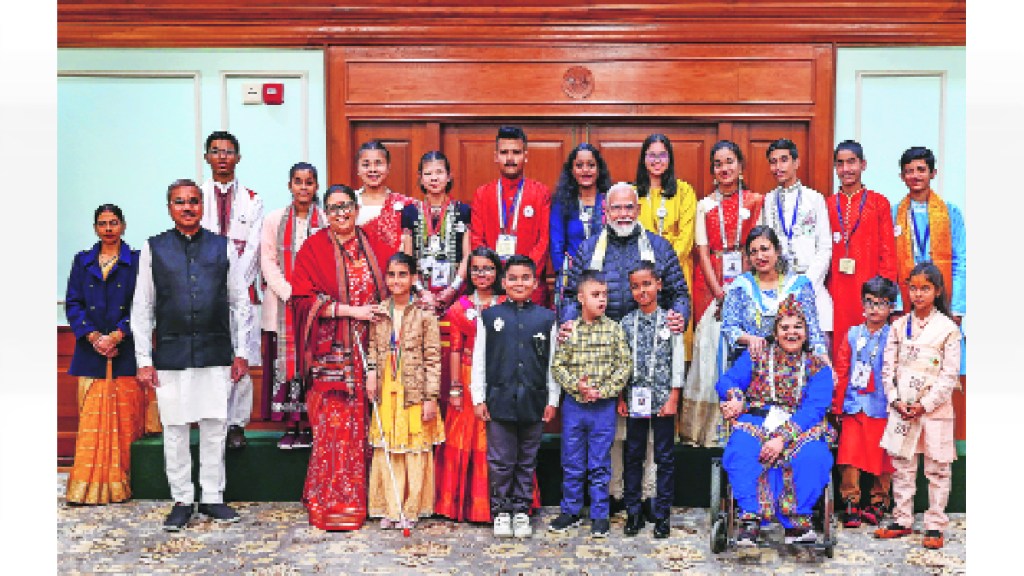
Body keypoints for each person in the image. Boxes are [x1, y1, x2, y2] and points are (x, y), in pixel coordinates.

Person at [558, 181, 691, 518]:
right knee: (612, 429)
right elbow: (571, 295)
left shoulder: (659, 248)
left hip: (649, 351)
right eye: (615, 208)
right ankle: (615, 493)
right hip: (601, 352)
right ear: (606, 211)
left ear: (638, 210)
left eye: (628, 207)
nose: (622, 214)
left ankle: (647, 496)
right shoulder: (588, 249)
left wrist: (680, 316)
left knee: (646, 430)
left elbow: (680, 294)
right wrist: (569, 323)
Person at [131, 179, 252, 531]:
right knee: (175, 429)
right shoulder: (154, 248)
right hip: (171, 353)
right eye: (179, 202)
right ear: (170, 207)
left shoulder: (222, 246)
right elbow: (142, 307)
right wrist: (143, 360)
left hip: (215, 352)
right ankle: (182, 499)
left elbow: (240, 302)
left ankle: (212, 496)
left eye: (193, 201)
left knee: (215, 427)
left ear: (202, 206)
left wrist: (242, 352)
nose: (187, 208)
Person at [291, 184, 387, 531]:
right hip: (332, 356)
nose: (341, 213)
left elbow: (395, 284)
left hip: (373, 352)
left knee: (366, 427)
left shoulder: (374, 244)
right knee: (335, 431)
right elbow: (301, 300)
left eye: (346, 206)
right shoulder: (312, 248)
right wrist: (351, 311)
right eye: (333, 208)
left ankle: (371, 501)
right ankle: (331, 503)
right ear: (324, 214)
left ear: (356, 208)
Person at [716, 294, 835, 546]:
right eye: (785, 327)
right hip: (758, 420)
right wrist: (735, 397)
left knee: (812, 455)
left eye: (797, 327)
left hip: (802, 426)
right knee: (742, 449)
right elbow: (727, 381)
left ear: (807, 331)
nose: (791, 333)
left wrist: (782, 437)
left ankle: (796, 522)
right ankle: (750, 518)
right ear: (775, 331)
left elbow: (815, 408)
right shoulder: (757, 355)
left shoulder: (818, 367)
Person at [471, 255, 559, 538]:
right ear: (504, 282)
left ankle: (521, 510)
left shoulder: (546, 319)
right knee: (500, 460)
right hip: (499, 400)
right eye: (513, 278)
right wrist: (478, 397)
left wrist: (552, 400)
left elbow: (552, 364)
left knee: (526, 459)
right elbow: (480, 359)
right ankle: (501, 511)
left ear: (534, 282)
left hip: (534, 400)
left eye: (525, 278)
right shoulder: (490, 317)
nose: (519, 283)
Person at [682, 140, 764, 447]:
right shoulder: (705, 205)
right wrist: (719, 293)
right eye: (718, 164)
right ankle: (708, 433)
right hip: (711, 286)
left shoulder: (756, 201)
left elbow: (758, 246)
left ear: (741, 166)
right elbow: (701, 252)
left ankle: (743, 428)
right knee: (710, 352)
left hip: (746, 284)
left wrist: (739, 289)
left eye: (729, 161)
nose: (724, 168)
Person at [875, 263, 961, 550]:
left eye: (925, 288)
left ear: (937, 291)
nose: (918, 294)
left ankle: (935, 525)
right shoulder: (898, 326)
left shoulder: (948, 329)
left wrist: (925, 404)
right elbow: (887, 368)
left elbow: (949, 375)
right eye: (913, 287)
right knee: (902, 465)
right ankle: (902, 519)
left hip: (934, 411)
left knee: (937, 468)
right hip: (903, 408)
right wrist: (894, 399)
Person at [64, 204, 143, 505]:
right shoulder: (82, 262)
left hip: (123, 351)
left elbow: (142, 305)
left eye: (113, 222)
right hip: (91, 352)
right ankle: (88, 487)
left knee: (123, 422)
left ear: (123, 225)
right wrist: (94, 336)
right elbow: (73, 303)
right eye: (102, 223)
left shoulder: (135, 262)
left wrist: (119, 334)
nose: (108, 228)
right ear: (95, 228)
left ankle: (121, 484)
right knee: (93, 422)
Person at [548, 271, 632, 539]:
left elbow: (624, 365)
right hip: (574, 406)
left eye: (605, 295)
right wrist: (577, 386)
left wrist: (604, 391)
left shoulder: (614, 330)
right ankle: (570, 510)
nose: (602, 300)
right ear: (581, 298)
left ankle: (599, 514)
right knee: (571, 460)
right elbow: (557, 366)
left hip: (602, 408)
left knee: (599, 462)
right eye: (596, 295)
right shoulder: (570, 330)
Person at [366, 253, 445, 529]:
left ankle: (410, 509)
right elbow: (374, 349)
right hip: (388, 386)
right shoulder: (379, 311)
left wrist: (431, 398)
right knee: (389, 448)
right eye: (391, 275)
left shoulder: (424, 314)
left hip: (414, 388)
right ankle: (390, 506)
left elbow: (433, 358)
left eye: (402, 275)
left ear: (413, 279)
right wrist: (372, 373)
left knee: (412, 448)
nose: (396, 280)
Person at [199, 130, 264, 450]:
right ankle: (212, 421)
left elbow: (254, 248)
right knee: (210, 360)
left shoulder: (253, 199)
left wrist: (236, 283)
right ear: (207, 157)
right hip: (203, 294)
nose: (222, 157)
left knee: (242, 357)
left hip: (241, 292)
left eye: (228, 152)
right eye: (216, 151)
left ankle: (237, 424)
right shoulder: (194, 196)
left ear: (238, 158)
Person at [260, 162, 326, 449]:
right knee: (285, 366)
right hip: (282, 305)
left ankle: (310, 426)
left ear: (316, 187)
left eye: (309, 182)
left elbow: (326, 262)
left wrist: (308, 297)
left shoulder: (325, 220)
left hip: (313, 308)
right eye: (298, 181)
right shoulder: (274, 219)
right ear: (289, 186)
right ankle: (290, 426)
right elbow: (268, 261)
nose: (303, 187)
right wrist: (290, 293)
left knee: (311, 365)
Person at [619, 262, 684, 538]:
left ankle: (662, 514)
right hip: (635, 400)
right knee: (633, 455)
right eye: (635, 286)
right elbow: (621, 362)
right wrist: (621, 396)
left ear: (658, 284)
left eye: (647, 284)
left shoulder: (671, 320)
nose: (641, 291)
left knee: (664, 457)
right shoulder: (625, 323)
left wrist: (673, 397)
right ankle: (633, 511)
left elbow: (678, 361)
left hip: (662, 400)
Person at [891, 146, 966, 382]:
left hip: (943, 300)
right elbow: (890, 263)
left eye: (921, 169)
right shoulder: (894, 213)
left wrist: (957, 307)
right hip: (908, 300)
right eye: (909, 171)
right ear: (902, 176)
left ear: (933, 173)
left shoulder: (950, 212)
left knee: (946, 370)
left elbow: (961, 260)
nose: (915, 176)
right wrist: (894, 306)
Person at [832, 276, 898, 528]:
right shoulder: (852, 334)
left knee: (883, 457)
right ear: (862, 304)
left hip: (882, 405)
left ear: (891, 307)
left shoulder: (894, 336)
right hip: (854, 404)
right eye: (869, 302)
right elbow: (842, 368)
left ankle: (879, 501)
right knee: (849, 455)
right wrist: (837, 406)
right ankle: (850, 501)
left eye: (881, 304)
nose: (874, 309)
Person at [827, 139, 897, 358]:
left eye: (851, 162)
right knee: (839, 347)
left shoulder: (879, 203)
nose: (846, 169)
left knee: (870, 350)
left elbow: (888, 251)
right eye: (840, 163)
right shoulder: (827, 204)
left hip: (870, 290)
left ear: (863, 165)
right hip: (836, 289)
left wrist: (883, 296)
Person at [759, 139, 833, 340]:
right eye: (773, 162)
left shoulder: (814, 199)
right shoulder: (768, 201)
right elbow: (761, 245)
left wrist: (806, 282)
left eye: (784, 160)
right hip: (778, 284)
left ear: (796, 162)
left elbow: (825, 246)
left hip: (811, 283)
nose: (778, 167)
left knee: (818, 348)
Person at [721, 226, 828, 364]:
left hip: (793, 364)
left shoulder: (799, 286)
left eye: (764, 249)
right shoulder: (740, 287)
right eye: (753, 252)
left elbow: (813, 331)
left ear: (777, 250)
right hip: (752, 361)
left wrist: (826, 362)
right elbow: (729, 327)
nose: (759, 256)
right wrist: (750, 339)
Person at [470, 126, 551, 306]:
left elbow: (544, 241)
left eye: (516, 152)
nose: (510, 159)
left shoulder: (541, 193)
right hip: (493, 286)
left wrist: (521, 277)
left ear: (525, 155)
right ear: (495, 156)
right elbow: (476, 240)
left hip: (530, 287)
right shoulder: (483, 194)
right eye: (504, 152)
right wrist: (496, 275)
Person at [401, 150, 471, 315]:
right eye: (428, 173)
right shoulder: (410, 212)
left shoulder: (463, 210)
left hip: (456, 291)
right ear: (420, 178)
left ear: (448, 176)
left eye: (439, 172)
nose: (434, 178)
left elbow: (468, 255)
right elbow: (407, 257)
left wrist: (453, 289)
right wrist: (421, 291)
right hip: (421, 294)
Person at [634, 134, 698, 307]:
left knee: (676, 325)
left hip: (676, 271)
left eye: (662, 155)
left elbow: (686, 236)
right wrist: (649, 273)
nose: (657, 160)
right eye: (651, 155)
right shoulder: (633, 194)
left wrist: (664, 269)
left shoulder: (684, 191)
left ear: (669, 159)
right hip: (642, 274)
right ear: (643, 159)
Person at [550, 143, 611, 307]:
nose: (585, 170)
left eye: (591, 165)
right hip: (572, 278)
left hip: (605, 277)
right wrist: (569, 275)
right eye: (579, 165)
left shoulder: (609, 201)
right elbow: (556, 246)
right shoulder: (561, 204)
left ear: (599, 170)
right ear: (572, 170)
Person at [355, 140, 414, 268]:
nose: (372, 169)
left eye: (378, 163)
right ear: (358, 169)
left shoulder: (404, 205)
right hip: (357, 275)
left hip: (394, 279)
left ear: (388, 167)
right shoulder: (349, 203)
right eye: (366, 164)